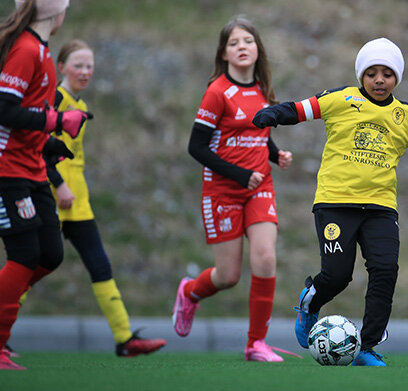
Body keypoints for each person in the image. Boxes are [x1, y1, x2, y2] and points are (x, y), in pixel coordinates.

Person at [252, 37, 408, 366]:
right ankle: (310, 304)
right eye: (372, 73)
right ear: (361, 76)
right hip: (335, 204)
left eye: (387, 74)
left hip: (381, 209)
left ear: (397, 78)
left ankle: (366, 347)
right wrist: (271, 114)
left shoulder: (407, 115)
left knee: (385, 271)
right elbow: (299, 109)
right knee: (338, 277)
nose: (379, 80)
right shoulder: (341, 98)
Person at [21, 39, 165, 358]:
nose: (85, 72)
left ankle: (125, 339)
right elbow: (35, 146)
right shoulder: (54, 98)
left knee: (100, 266)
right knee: (29, 264)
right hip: (51, 196)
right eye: (78, 65)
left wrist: (73, 190)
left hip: (78, 202)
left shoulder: (80, 105)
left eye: (90, 67)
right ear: (61, 67)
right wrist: (58, 185)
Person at [172, 16, 297, 363]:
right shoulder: (216, 93)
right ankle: (189, 292)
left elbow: (258, 132)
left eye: (248, 41)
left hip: (260, 187)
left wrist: (275, 154)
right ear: (224, 54)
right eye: (234, 43)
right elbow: (196, 148)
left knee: (266, 258)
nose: (242, 47)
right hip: (223, 192)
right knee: (227, 276)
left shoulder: (262, 89)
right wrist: (241, 175)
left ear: (258, 50)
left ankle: (256, 344)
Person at [0, 0, 91, 370]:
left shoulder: (41, 50)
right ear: (57, 11)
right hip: (8, 173)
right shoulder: (25, 49)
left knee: (50, 254)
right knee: (23, 256)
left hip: (33, 168)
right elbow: (5, 110)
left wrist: (49, 144)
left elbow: (23, 116)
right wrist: (55, 120)